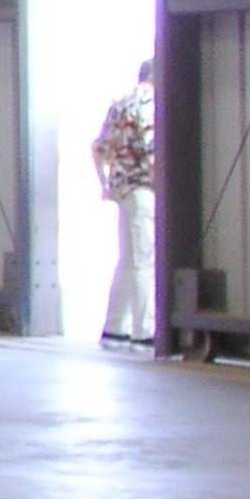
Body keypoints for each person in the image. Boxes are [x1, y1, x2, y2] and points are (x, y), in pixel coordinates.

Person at [93, 61, 156, 348]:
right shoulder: (151, 105)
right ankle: (144, 330)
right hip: (144, 189)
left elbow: (98, 148)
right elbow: (152, 151)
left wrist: (104, 184)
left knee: (127, 260)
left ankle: (115, 327)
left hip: (122, 191)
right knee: (144, 262)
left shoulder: (119, 105)